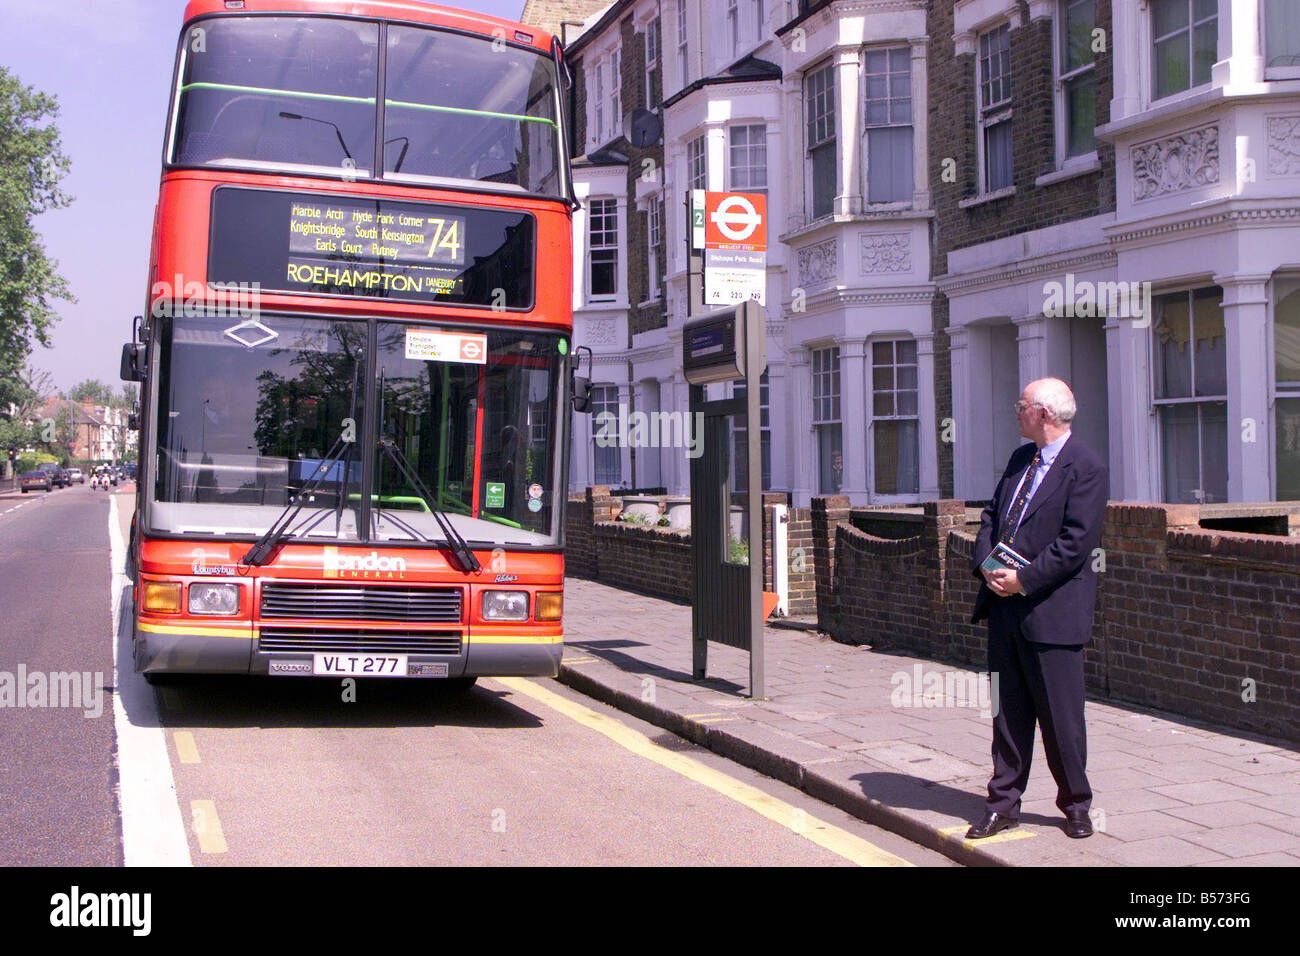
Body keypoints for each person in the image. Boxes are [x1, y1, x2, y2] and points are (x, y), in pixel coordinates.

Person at [967, 378, 1108, 840]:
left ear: (1044, 413)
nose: (1016, 412)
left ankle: (1076, 804)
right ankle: (1003, 802)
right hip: (1004, 608)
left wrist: (1023, 580)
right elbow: (991, 517)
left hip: (1053, 613)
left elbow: (1076, 542)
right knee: (1006, 715)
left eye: (1021, 405)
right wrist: (990, 568)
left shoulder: (1085, 466)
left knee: (1061, 720)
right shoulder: (1019, 460)